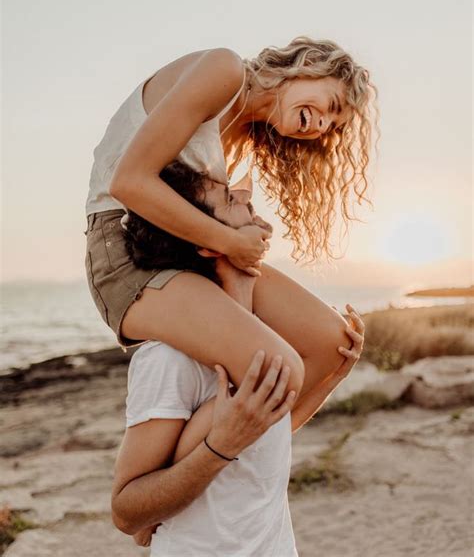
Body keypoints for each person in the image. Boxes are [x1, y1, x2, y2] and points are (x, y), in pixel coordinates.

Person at [84, 35, 378, 411]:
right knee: (278, 370)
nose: (321, 125)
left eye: (332, 126)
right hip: (126, 248)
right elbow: (128, 183)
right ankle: (213, 458)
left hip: (191, 252)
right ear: (307, 66)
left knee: (331, 343)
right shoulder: (224, 70)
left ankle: (249, 456)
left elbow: (205, 217)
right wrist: (231, 242)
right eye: (330, 106)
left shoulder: (244, 141)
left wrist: (245, 234)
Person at [111, 161, 365, 554]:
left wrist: (332, 377)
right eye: (230, 198)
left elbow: (262, 438)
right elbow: (128, 515)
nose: (248, 197)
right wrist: (218, 448)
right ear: (209, 242)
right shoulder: (167, 358)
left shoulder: (267, 342)